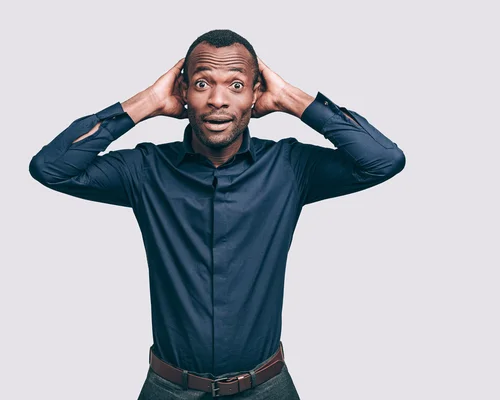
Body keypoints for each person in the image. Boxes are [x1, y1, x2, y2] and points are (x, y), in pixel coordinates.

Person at [29, 29, 405, 399]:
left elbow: (382, 160)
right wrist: (147, 101)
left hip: (267, 387)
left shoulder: (290, 167)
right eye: (203, 83)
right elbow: (52, 167)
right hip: (169, 389)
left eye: (237, 85)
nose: (218, 100)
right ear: (184, 93)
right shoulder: (145, 170)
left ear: (257, 94)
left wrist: (292, 98)